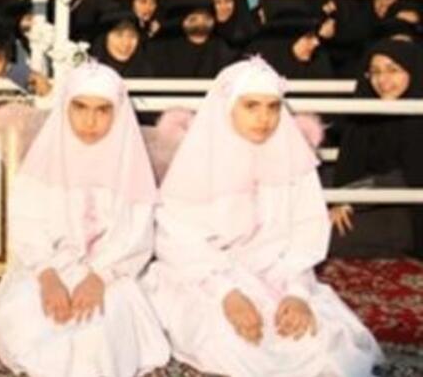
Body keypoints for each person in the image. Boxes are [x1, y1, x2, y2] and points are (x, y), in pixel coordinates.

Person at [142, 58, 382, 376]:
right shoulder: (199, 161)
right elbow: (178, 240)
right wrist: (227, 295)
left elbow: (305, 232)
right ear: (228, 107)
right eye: (251, 105)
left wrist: (296, 293)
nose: (264, 118)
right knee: (233, 345)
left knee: (316, 343)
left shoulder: (292, 160)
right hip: (204, 278)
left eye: (272, 107)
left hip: (276, 274)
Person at [0, 62, 169, 377]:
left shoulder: (128, 165)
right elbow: (26, 223)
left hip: (111, 273)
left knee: (96, 333)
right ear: (65, 107)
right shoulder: (45, 160)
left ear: (118, 113)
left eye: (102, 110)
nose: (90, 121)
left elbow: (136, 236)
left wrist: (99, 277)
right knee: (45, 326)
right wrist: (48, 277)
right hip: (47, 268)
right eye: (80, 107)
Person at [329, 39, 423, 258]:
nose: (383, 80)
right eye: (375, 72)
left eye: (393, 70)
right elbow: (347, 167)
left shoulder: (418, 117)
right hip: (367, 203)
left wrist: (349, 199)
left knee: (319, 237)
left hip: (410, 214)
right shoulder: (366, 113)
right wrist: (339, 200)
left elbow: (407, 177)